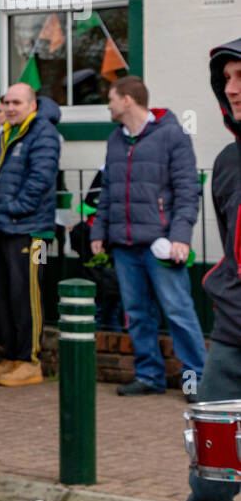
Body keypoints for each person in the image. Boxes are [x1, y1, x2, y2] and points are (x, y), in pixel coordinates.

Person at [89, 76, 207, 398]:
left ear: (127, 100)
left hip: (162, 246)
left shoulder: (172, 136)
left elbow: (187, 190)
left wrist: (180, 236)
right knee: (137, 315)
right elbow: (109, 191)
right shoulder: (115, 139)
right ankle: (148, 376)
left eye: (111, 99)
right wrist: (99, 231)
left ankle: (196, 381)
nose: (108, 105)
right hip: (125, 246)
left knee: (179, 312)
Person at [188, 37, 241, 501]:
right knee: (209, 489)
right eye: (226, 80)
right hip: (229, 350)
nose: (232, 89)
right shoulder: (226, 163)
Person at [0, 83, 61, 387]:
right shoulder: (6, 134)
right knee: (1, 295)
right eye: (7, 102)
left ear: (32, 104)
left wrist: (13, 209)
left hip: (31, 231)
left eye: (17, 102)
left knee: (27, 295)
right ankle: (12, 356)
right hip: (0, 227)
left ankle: (31, 361)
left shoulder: (43, 133)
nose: (11, 107)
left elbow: (41, 180)